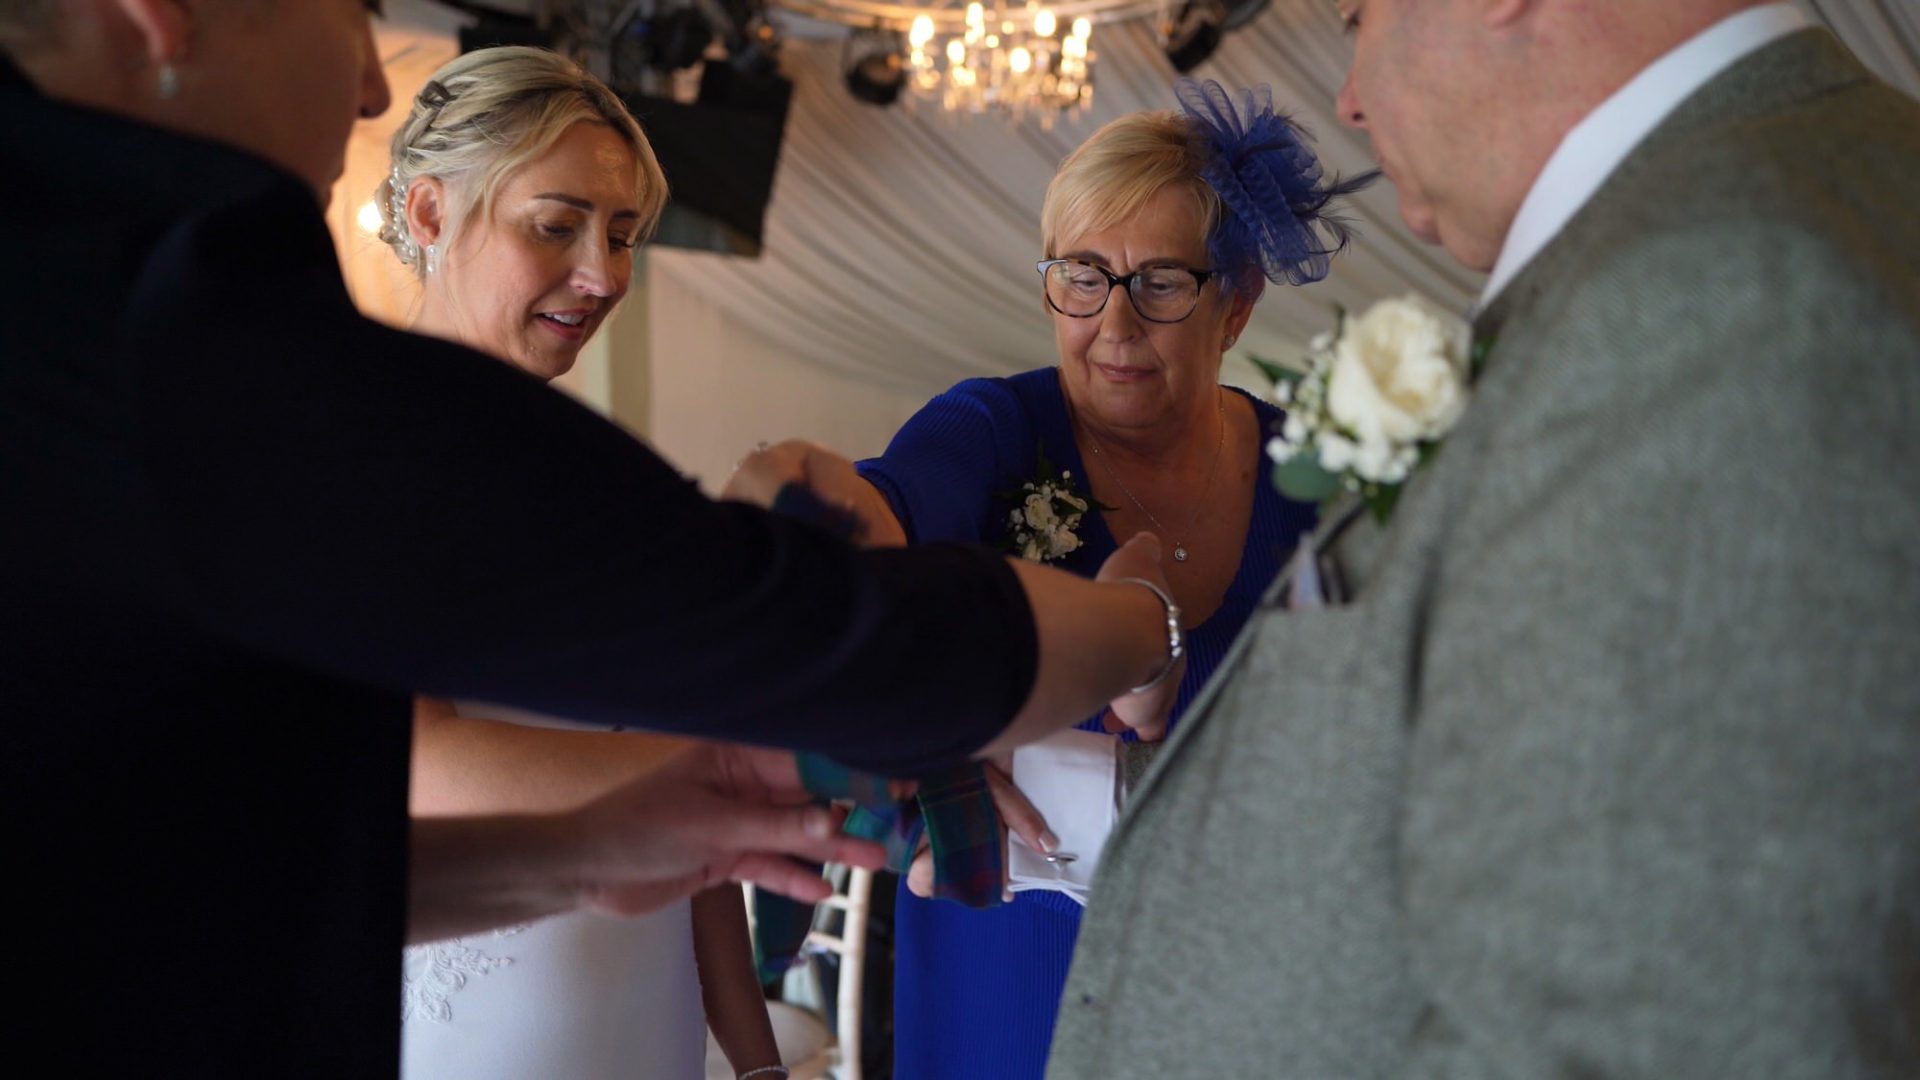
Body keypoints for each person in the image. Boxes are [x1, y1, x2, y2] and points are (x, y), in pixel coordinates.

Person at [0, 1, 1186, 1073]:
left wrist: (591, 851)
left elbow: (184, 866)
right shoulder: (181, 350)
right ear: (160, 14)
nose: (371, 84)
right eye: (352, 12)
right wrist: (1142, 620)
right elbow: (810, 637)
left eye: (621, 231)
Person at [1043, 1, 1920, 1076]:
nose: (1350, 97)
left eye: (1358, 14)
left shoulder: (1728, 289)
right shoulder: (1772, 212)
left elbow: (1661, 1018)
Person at [370, 47, 777, 1080]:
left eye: (625, 235)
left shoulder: (606, 483)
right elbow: (408, 763)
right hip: (479, 1033)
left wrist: (757, 1056)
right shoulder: (369, 456)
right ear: (427, 214)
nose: (603, 275)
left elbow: (692, 819)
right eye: (557, 226)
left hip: (650, 1018)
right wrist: (736, 777)